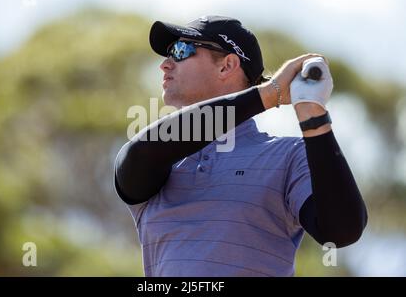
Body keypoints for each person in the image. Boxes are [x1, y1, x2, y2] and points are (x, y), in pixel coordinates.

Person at [114, 16, 367, 277]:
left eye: (180, 51)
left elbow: (341, 232)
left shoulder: (288, 155)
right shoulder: (161, 157)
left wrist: (313, 116)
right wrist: (271, 94)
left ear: (227, 66)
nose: (165, 65)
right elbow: (139, 155)